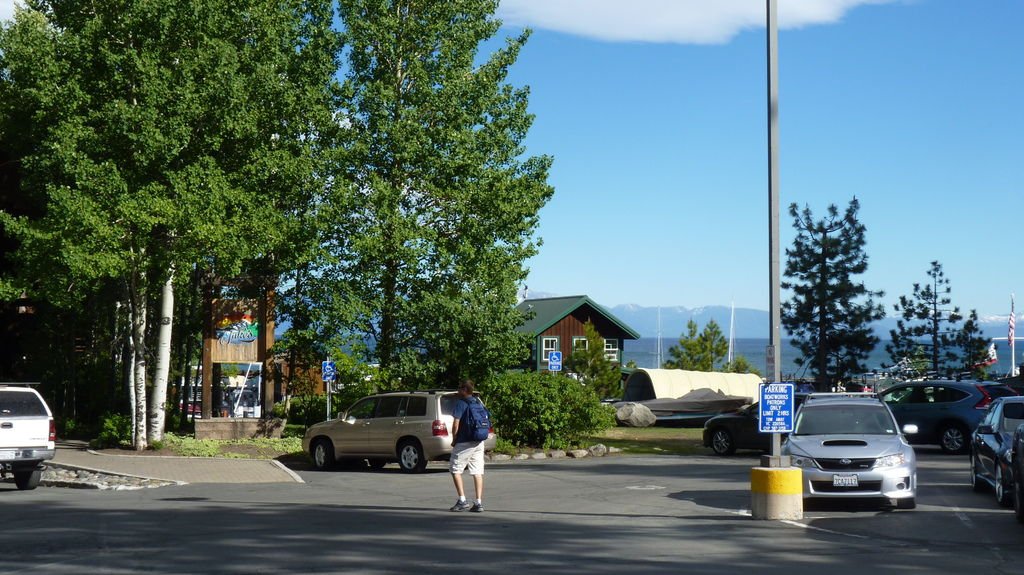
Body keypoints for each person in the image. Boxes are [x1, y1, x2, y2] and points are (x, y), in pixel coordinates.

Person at [449, 379, 485, 513]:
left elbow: (455, 424)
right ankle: (478, 503)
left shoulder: (461, 403)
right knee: (477, 471)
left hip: (465, 441)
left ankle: (462, 500)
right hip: (479, 440)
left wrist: (454, 439)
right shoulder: (478, 402)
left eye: (459, 388)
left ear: (465, 390)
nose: (458, 390)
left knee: (455, 468)